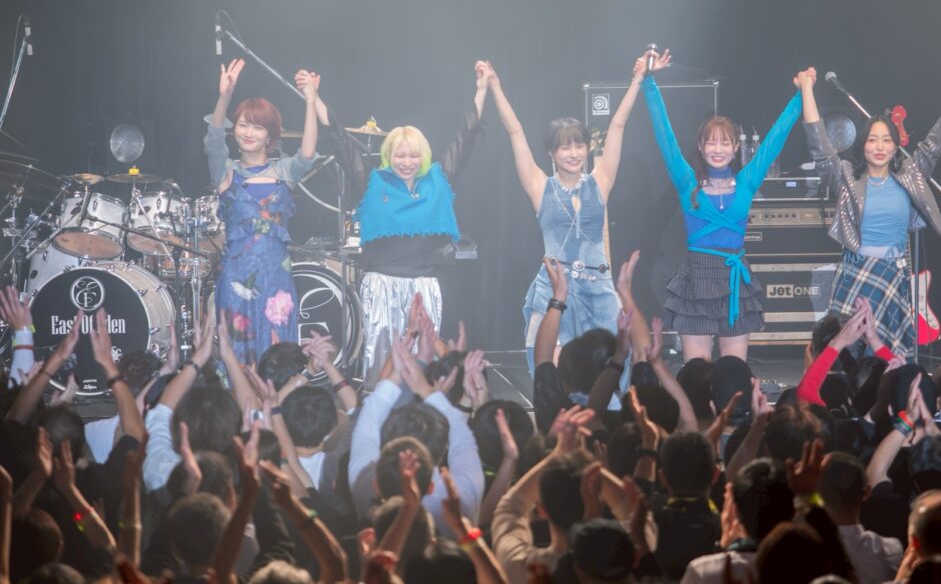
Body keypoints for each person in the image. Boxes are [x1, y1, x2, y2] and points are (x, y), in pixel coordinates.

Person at [801, 68, 941, 359]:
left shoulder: (909, 174)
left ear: (895, 145)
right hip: (855, 275)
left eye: (887, 140)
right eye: (872, 139)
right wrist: (806, 89)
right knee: (848, 358)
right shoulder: (846, 176)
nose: (879, 147)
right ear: (862, 144)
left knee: (890, 360)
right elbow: (820, 147)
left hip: (892, 277)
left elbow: (934, 144)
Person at [484, 53, 651, 373]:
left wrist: (637, 81)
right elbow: (515, 131)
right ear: (552, 152)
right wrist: (495, 86)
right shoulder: (540, 187)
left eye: (579, 146)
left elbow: (617, 125)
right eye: (565, 147)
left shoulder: (600, 182)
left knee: (605, 375)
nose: (574, 153)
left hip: (599, 291)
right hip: (555, 288)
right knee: (555, 375)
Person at [643, 56, 811, 362]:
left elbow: (775, 139)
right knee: (697, 371)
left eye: (725, 143)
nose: (717, 149)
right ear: (701, 147)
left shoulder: (746, 181)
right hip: (696, 279)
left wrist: (802, 94)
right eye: (711, 143)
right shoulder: (687, 181)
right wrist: (648, 81)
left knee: (734, 371)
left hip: (735, 281)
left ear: (736, 148)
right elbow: (664, 135)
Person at [353, 63, 487, 377]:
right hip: (382, 285)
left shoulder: (437, 182)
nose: (407, 162)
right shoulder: (374, 184)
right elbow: (343, 147)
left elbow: (465, 137)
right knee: (383, 366)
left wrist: (481, 91)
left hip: (423, 285)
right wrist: (314, 101)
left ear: (423, 156)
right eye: (400, 155)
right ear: (389, 156)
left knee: (423, 365)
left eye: (414, 155)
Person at [205, 59, 322, 365]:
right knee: (237, 353)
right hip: (236, 276)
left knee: (277, 353)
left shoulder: (284, 171)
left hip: (275, 276)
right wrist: (225, 96)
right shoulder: (225, 172)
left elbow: (307, 153)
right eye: (243, 124)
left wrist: (310, 101)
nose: (248, 132)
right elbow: (214, 139)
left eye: (257, 127)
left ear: (269, 137)